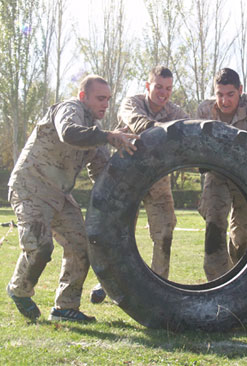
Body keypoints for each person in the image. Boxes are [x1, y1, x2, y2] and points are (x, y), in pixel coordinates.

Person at [6, 75, 138, 322]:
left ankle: (65, 308)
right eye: (100, 98)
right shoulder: (70, 109)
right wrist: (108, 136)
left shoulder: (95, 133)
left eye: (108, 99)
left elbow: (102, 172)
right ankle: (19, 290)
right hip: (31, 187)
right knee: (40, 248)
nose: (105, 105)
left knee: (82, 246)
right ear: (82, 97)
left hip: (59, 195)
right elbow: (69, 133)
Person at [90, 66, 188, 303]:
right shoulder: (132, 103)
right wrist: (168, 132)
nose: (163, 93)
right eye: (158, 87)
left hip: (157, 178)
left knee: (164, 230)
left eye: (168, 88)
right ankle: (111, 282)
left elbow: (187, 131)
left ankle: (158, 284)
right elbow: (139, 124)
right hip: (125, 178)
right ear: (148, 86)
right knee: (118, 234)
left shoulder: (175, 110)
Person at [196, 68, 247, 281]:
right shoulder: (204, 110)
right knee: (214, 227)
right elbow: (197, 147)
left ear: (240, 90)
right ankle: (216, 283)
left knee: (243, 236)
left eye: (230, 94)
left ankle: (240, 280)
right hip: (217, 174)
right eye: (219, 94)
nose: (224, 101)